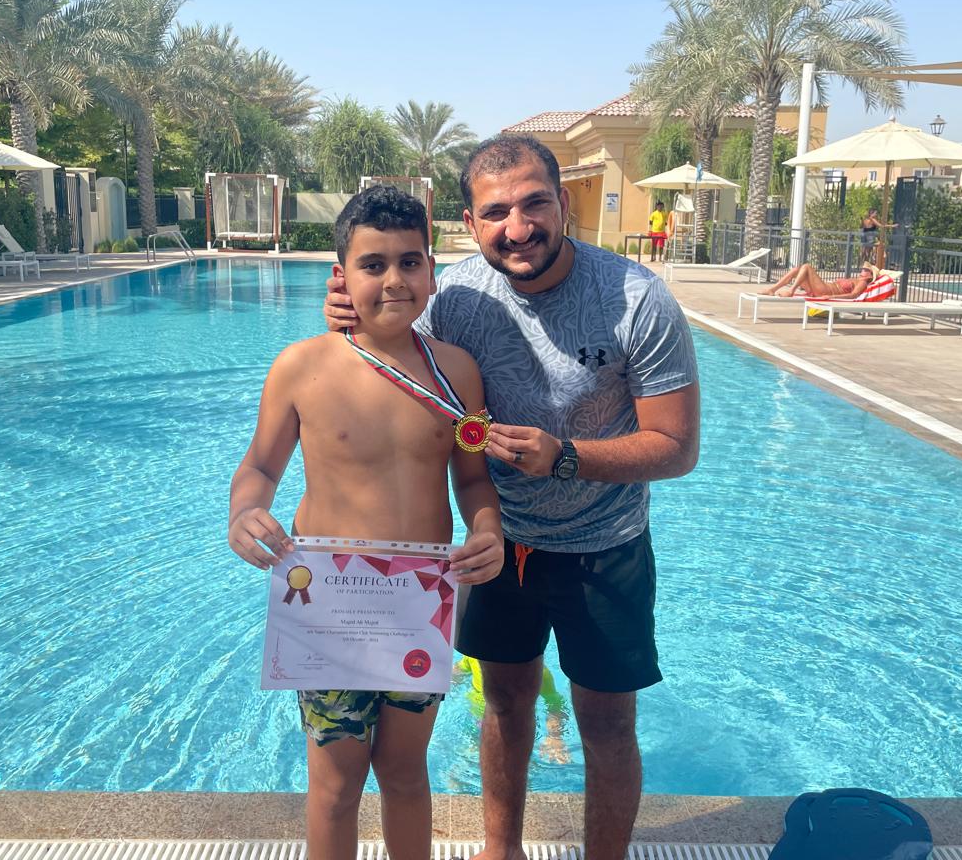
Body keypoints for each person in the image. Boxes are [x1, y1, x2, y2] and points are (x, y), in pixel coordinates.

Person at [326, 135, 700, 860]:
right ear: (472, 222)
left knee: (606, 724)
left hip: (606, 548)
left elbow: (677, 448)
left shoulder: (634, 298)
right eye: (497, 211)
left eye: (535, 204)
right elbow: (377, 355)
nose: (519, 227)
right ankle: (502, 851)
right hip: (500, 547)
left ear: (563, 203)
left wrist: (565, 457)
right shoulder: (457, 297)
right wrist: (346, 303)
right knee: (503, 705)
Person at [229, 185, 505, 860]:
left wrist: (487, 529)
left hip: (417, 605)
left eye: (410, 263)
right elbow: (260, 466)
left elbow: (471, 478)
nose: (393, 280)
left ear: (432, 270)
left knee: (406, 773)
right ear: (342, 276)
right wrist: (243, 512)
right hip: (328, 606)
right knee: (335, 782)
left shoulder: (456, 375)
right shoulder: (302, 368)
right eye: (373, 264)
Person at [452, 656, 570, 764]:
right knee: (468, 758)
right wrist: (451, 682)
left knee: (520, 762)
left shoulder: (538, 672)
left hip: (516, 725)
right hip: (477, 720)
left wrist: (555, 736)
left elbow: (554, 703)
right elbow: (457, 670)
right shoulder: (476, 657)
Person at [760, 261, 878, 298]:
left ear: (869, 275)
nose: (862, 270)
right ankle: (773, 289)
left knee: (806, 267)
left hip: (826, 291)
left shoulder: (862, 282)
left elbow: (853, 295)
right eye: (863, 268)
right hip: (823, 288)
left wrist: (831, 297)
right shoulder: (856, 279)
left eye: (865, 270)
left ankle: (791, 291)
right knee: (797, 269)